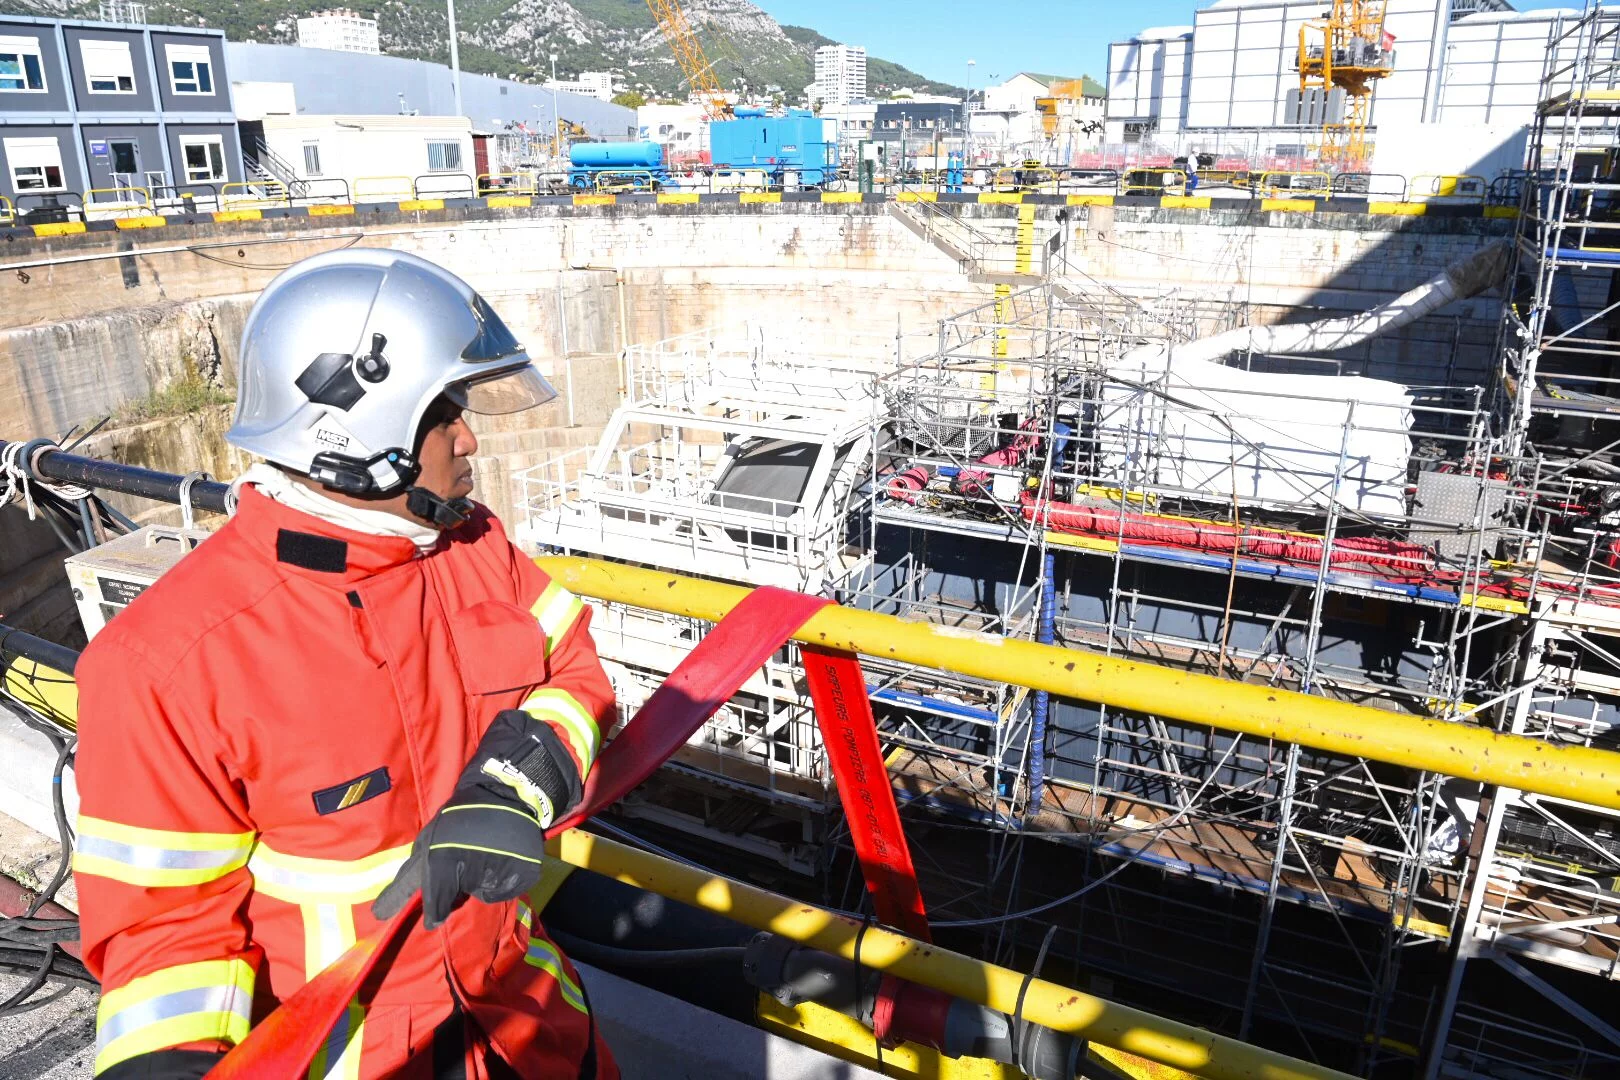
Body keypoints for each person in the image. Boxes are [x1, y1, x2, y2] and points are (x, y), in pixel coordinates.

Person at [72, 249, 618, 1079]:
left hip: (527, 1025)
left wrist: (515, 782)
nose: (468, 438)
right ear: (356, 431)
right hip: (352, 1056)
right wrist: (168, 1063)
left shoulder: (473, 548)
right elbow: (164, 930)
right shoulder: (167, 663)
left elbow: (575, 675)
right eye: (444, 412)